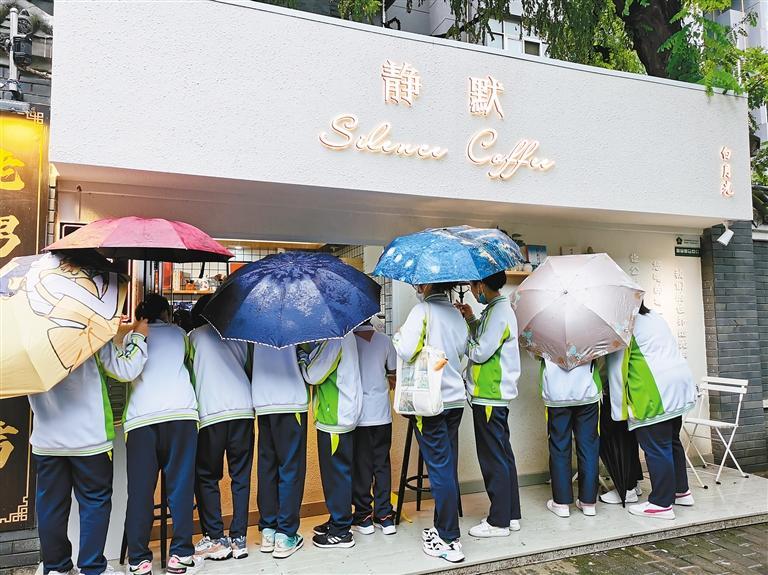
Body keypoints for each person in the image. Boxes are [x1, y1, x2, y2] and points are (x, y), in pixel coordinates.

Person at [29, 319, 149, 575]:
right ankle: (92, 567)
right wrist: (138, 337)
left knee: (51, 506)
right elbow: (125, 369)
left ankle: (56, 567)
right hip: (90, 439)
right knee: (94, 503)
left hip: (47, 440)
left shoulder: (31, 335)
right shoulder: (91, 330)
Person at [124, 295, 203, 575]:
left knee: (140, 492)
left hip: (141, 420)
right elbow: (190, 368)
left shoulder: (131, 338)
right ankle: (180, 555)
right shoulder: (181, 334)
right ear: (167, 313)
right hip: (181, 415)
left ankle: (138, 560)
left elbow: (126, 372)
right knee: (181, 487)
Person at [393, 282, 468, 564]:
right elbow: (461, 351)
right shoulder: (456, 314)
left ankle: (449, 539)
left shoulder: (422, 310)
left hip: (430, 403)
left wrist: (399, 337)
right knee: (446, 466)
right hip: (455, 400)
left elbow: (406, 350)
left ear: (425, 284)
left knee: (439, 470)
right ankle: (442, 530)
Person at [606, 301, 697, 520]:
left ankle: (661, 504)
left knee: (657, 447)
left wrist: (618, 412)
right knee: (672, 441)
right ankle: (681, 491)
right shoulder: (654, 316)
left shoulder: (624, 326)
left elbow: (618, 370)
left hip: (653, 390)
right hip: (679, 385)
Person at [455, 271, 522, 537]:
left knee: (493, 458)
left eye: (472, 285)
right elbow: (485, 338)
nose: (472, 290)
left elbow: (481, 351)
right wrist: (471, 319)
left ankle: (498, 522)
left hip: (490, 394)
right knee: (503, 455)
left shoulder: (500, 312)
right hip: (492, 394)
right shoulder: (495, 309)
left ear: (481, 285)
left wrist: (462, 341)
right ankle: (511, 514)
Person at [189, 295, 255, 562]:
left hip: (211, 413)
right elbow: (249, 369)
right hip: (243, 410)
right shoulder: (238, 335)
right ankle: (239, 538)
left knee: (206, 476)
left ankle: (216, 538)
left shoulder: (193, 337)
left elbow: (188, 372)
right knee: (240, 476)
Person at [299, 333, 362, 549]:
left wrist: (301, 357)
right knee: (340, 472)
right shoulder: (345, 336)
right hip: (341, 414)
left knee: (335, 475)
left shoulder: (335, 340)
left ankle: (341, 531)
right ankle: (338, 519)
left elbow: (314, 375)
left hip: (334, 415)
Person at [252, 341, 311, 559]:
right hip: (290, 401)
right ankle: (285, 534)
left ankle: (268, 530)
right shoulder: (297, 322)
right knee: (290, 468)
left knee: (267, 468)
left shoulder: (255, 323)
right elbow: (308, 356)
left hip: (263, 401)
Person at [350, 320, 398, 536]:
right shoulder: (385, 341)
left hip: (358, 415)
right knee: (382, 464)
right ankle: (385, 516)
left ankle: (364, 516)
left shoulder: (347, 341)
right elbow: (393, 376)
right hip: (382, 414)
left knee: (361, 466)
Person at [538, 358, 602, 518]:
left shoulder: (545, 332)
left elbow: (536, 352)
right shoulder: (593, 331)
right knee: (589, 447)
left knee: (559, 447)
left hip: (556, 393)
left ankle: (561, 504)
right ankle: (588, 503)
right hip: (587, 391)